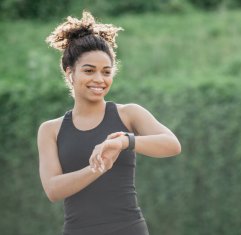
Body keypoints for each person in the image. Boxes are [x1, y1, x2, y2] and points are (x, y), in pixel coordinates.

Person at [37, 11, 181, 235]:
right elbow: (53, 189)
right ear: (69, 73)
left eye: (106, 72)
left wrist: (125, 142)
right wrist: (98, 167)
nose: (99, 79)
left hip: (129, 229)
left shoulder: (128, 114)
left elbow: (172, 145)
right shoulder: (51, 130)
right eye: (89, 70)